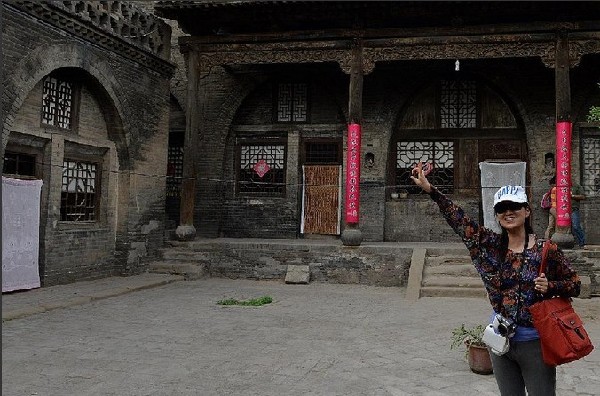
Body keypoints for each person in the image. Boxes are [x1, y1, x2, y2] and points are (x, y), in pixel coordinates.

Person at [410, 162, 581, 396]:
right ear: (497, 216)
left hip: (535, 342)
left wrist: (550, 286)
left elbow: (575, 284)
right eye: (502, 209)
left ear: (527, 210)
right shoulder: (489, 246)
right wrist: (431, 190)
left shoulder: (546, 250)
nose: (508, 212)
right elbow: (459, 220)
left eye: (514, 206)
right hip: (500, 341)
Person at [571, 182, 586, 249]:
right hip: (563, 209)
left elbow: (583, 196)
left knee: (576, 226)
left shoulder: (576, 186)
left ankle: (582, 242)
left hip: (573, 209)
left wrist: (572, 196)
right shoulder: (561, 186)